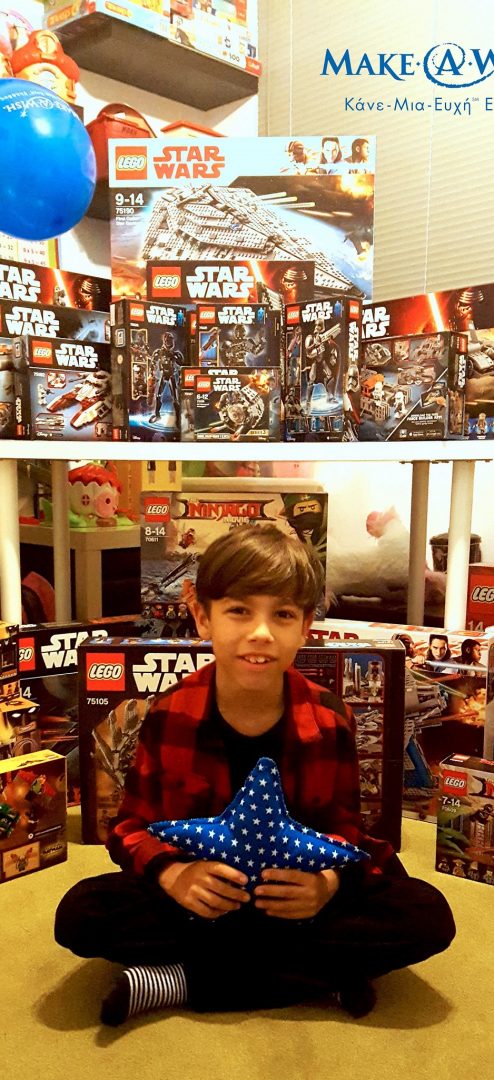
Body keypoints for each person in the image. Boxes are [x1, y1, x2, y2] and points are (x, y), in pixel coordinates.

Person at [54, 527, 455, 1027]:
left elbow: (347, 832)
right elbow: (131, 828)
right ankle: (322, 976)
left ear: (305, 625)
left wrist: (326, 884)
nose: (261, 632)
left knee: (426, 914)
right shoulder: (169, 713)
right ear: (203, 615)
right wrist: (174, 875)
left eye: (282, 614)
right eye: (240, 611)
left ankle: (183, 980)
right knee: (82, 913)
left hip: (295, 899)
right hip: (205, 898)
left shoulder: (329, 718)